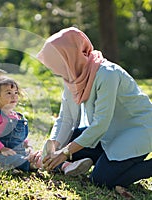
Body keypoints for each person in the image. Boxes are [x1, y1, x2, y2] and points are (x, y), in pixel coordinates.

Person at [30, 27, 152, 193]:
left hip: (137, 132)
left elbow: (100, 124)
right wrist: (53, 147)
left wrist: (65, 152)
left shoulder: (107, 74)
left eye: (57, 65)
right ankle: (99, 159)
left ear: (69, 58)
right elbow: (66, 118)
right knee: (69, 140)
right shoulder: (73, 77)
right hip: (107, 133)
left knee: (101, 180)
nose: (55, 71)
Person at [0, 76, 93, 174]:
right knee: (19, 159)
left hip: (21, 152)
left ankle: (67, 166)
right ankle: (38, 165)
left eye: (16, 93)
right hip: (2, 156)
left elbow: (20, 138)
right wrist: (2, 149)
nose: (14, 96)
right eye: (8, 93)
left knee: (36, 157)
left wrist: (27, 146)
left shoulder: (18, 116)